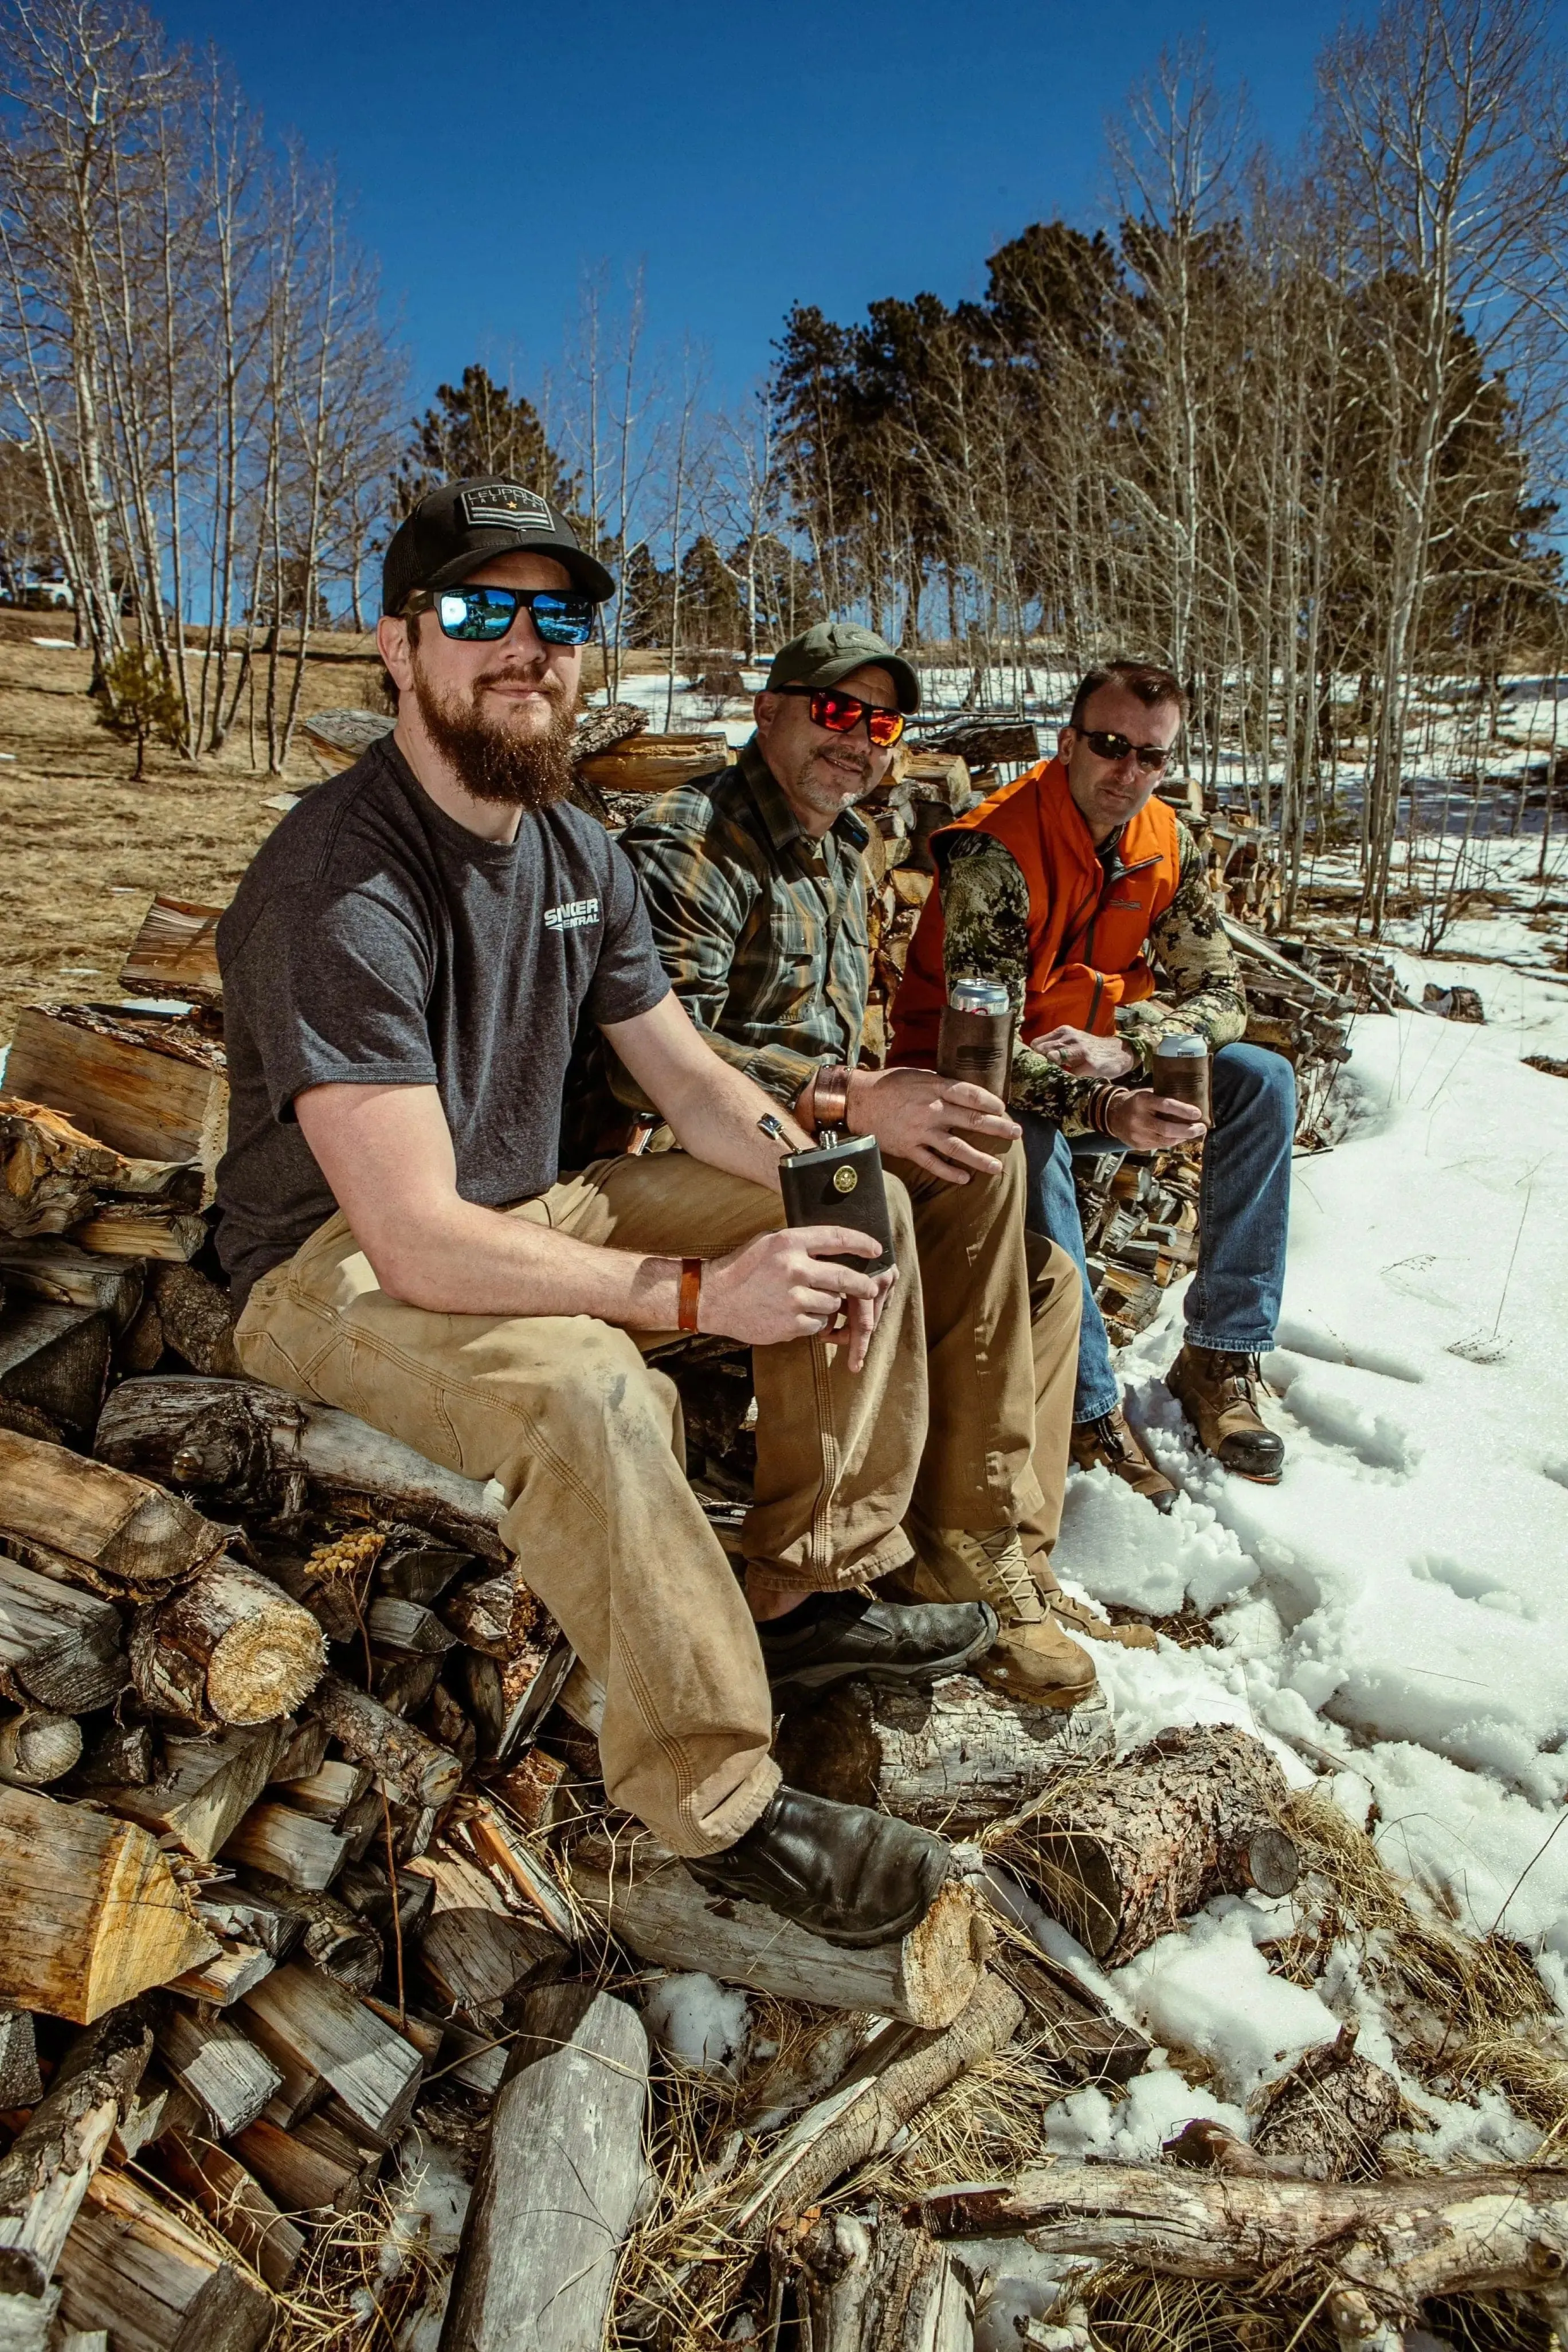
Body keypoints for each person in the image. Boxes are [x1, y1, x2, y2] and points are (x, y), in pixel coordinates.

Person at [215, 479, 1001, 1951]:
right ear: (397, 646)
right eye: (478, 611)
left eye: (555, 615)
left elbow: (693, 1081)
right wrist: (701, 1299)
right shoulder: (340, 883)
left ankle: (809, 1590)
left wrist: (821, 1192)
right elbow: (413, 1237)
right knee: (593, 1387)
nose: (526, 646)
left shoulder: (575, 851)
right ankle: (718, 1811)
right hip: (334, 1265)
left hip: (538, 1199)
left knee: (858, 1198)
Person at [617, 621, 1154, 1703]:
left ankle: (1001, 1552)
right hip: (682, 1155)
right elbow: (659, 1059)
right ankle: (880, 1564)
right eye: (835, 710)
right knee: (932, 1191)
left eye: (882, 723)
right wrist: (853, 1096)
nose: (858, 741)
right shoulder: (693, 840)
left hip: (799, 1145)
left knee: (1040, 1274)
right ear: (768, 710)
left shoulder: (839, 851)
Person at [890, 658, 1293, 1506]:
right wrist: (1109, 1103)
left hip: (1092, 1070)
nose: (1132, 773)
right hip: (961, 1081)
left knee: (1261, 1081)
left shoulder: (1169, 842)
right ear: (1069, 742)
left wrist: (1129, 1047)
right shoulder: (993, 852)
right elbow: (982, 1051)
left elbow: (1221, 995)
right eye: (1112, 747)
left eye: (1153, 756)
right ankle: (1086, 1409)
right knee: (1025, 1142)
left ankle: (1221, 1354)